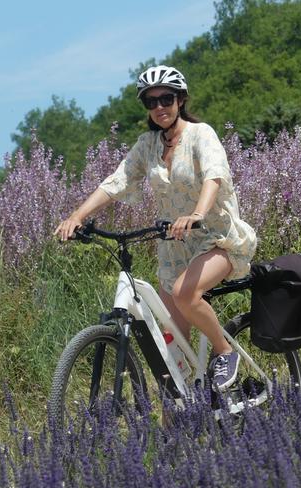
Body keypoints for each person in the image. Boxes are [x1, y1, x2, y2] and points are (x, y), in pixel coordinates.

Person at [54, 65, 257, 392]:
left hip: (216, 236)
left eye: (166, 98)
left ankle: (224, 352)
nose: (159, 107)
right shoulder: (147, 145)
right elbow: (117, 181)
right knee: (172, 352)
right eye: (151, 102)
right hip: (173, 246)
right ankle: (178, 423)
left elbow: (214, 176)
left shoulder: (200, 134)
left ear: (180, 100)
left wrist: (197, 213)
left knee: (184, 294)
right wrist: (77, 215)